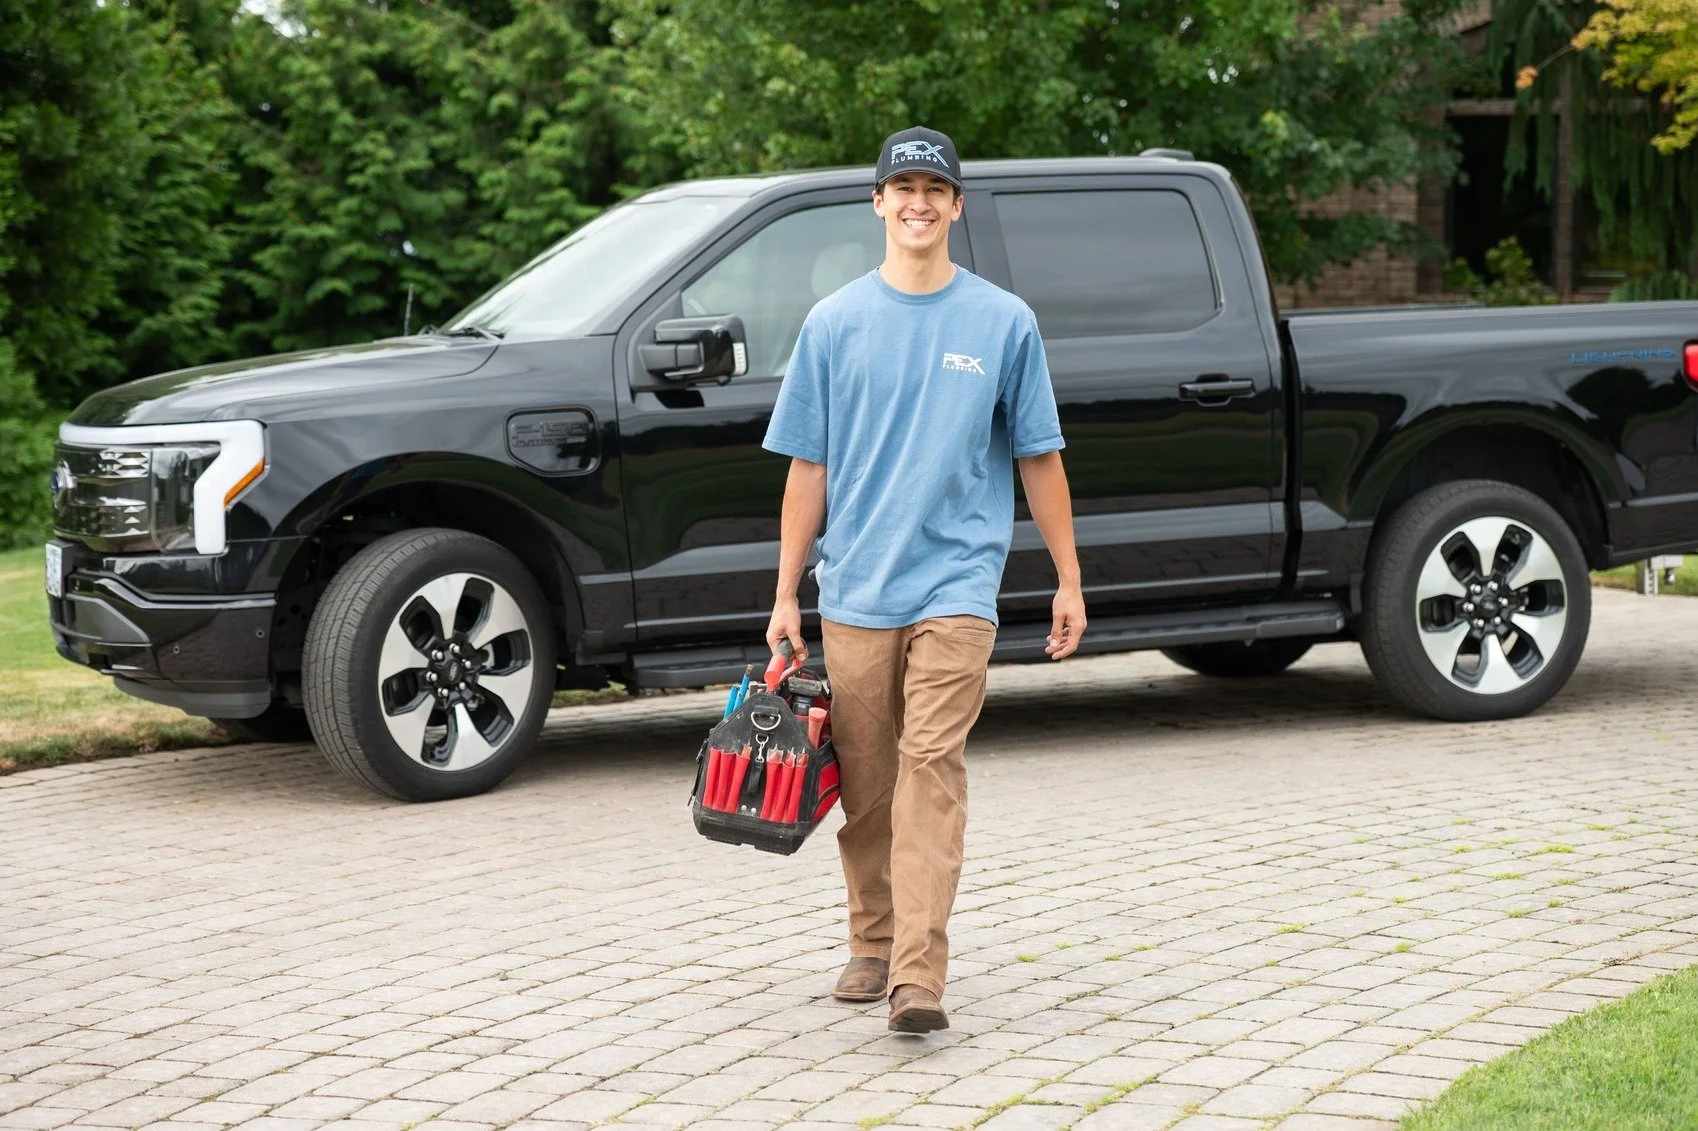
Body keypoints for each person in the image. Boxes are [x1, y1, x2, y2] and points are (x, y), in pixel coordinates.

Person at [762, 126, 1085, 1033]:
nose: (918, 202)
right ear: (878, 202)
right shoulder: (834, 323)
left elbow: (1040, 456)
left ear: (956, 206)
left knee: (929, 767)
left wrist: (1068, 577)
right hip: (857, 586)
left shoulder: (1002, 321)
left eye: (933, 189)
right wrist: (787, 594)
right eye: (902, 187)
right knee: (866, 787)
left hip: (958, 583)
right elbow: (806, 471)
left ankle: (918, 976)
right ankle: (871, 940)